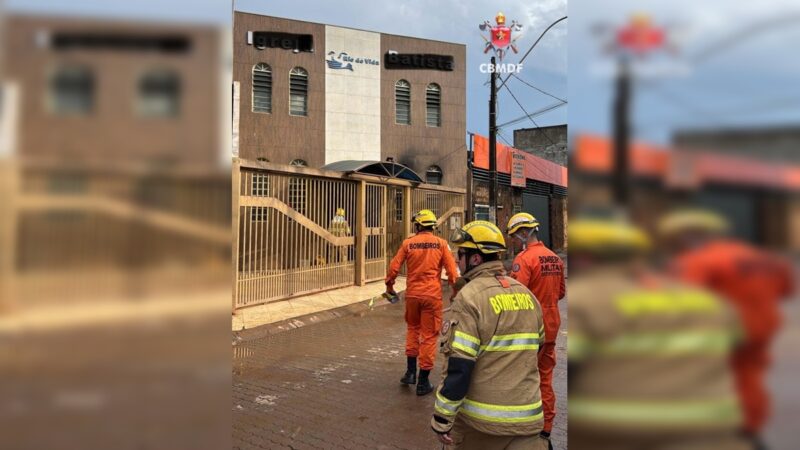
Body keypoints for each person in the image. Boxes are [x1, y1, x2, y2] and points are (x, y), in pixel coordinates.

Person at [568, 216, 751, 450]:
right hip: (711, 436)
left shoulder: (585, 298)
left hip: (615, 437)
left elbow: (569, 366)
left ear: (584, 259)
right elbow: (739, 351)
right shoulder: (705, 298)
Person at [659, 209, 794, 449]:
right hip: (762, 329)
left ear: (683, 237)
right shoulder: (764, 256)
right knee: (749, 376)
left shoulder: (697, 261)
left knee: (718, 381)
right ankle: (749, 426)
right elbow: (787, 290)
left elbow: (682, 299)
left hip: (720, 332)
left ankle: (731, 431)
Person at [431, 220, 549, 450]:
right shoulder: (526, 294)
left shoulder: (469, 298)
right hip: (529, 423)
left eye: (461, 253)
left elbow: (459, 367)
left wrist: (442, 417)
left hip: (482, 428)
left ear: (476, 258)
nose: (456, 259)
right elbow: (539, 346)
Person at [385, 209, 458, 396]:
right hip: (432, 297)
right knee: (429, 336)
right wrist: (455, 292)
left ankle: (410, 373)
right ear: (432, 226)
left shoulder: (408, 243)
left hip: (413, 296)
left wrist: (390, 287)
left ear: (418, 225)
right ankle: (423, 382)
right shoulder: (442, 244)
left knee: (412, 330)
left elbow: (393, 268)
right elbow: (452, 272)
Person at [506, 213, 565, 441]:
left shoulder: (525, 260)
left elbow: (516, 295)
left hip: (531, 328)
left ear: (523, 233)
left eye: (513, 235)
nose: (512, 240)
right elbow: (560, 293)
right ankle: (546, 423)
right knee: (545, 376)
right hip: (551, 326)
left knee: (525, 376)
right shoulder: (554, 259)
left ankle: (524, 422)